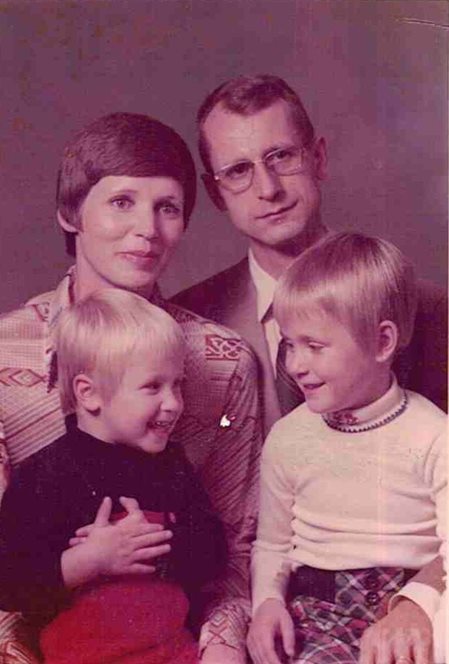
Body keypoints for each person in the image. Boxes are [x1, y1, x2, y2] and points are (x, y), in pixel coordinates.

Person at [0, 113, 262, 664]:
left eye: (167, 207)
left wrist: (220, 651)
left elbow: (234, 549)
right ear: (71, 214)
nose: (147, 228)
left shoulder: (224, 363)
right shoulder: (2, 355)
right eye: (122, 202)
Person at [173, 74, 448, 434]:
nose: (268, 189)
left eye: (282, 156)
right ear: (215, 193)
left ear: (318, 158)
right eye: (239, 171)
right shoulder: (187, 323)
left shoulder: (428, 308)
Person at [247, 233, 446, 664]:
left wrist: (417, 606)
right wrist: (267, 603)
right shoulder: (289, 439)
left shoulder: (432, 434)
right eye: (289, 345)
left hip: (415, 611)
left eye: (314, 347)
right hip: (320, 616)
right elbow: (273, 544)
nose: (296, 365)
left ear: (382, 342)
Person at [0, 288, 226, 664]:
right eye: (153, 386)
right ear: (89, 394)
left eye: (178, 384)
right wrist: (88, 561)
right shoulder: (45, 476)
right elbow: (8, 581)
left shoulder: (172, 467)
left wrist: (158, 543)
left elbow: (214, 554)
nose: (173, 404)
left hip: (174, 654)